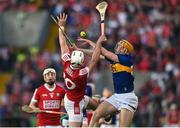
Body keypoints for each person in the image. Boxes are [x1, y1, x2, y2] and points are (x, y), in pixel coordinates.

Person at [57, 13, 107, 127]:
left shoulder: (67, 63)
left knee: (98, 107)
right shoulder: (81, 74)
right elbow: (94, 59)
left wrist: (62, 27)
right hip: (74, 104)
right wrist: (98, 43)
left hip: (77, 97)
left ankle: (103, 113)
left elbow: (63, 45)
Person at [78, 38, 138, 127]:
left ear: (125, 50)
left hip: (128, 98)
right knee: (96, 114)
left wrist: (96, 42)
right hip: (117, 96)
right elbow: (97, 53)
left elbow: (103, 51)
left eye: (120, 47)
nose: (117, 48)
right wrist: (79, 50)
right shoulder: (115, 59)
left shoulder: (126, 59)